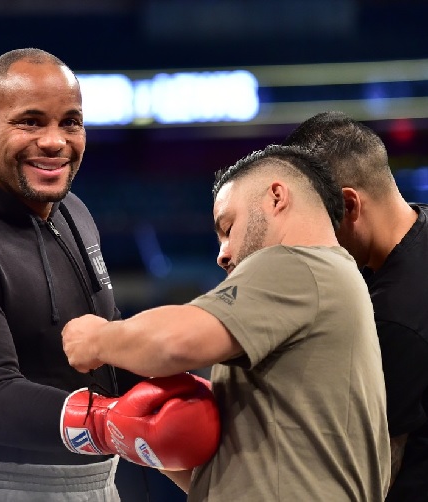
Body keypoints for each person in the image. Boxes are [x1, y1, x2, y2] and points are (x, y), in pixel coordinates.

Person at [0, 47, 219, 502]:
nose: (55, 141)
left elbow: (108, 352)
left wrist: (177, 393)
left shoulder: (72, 213)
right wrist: (109, 422)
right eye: (31, 122)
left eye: (71, 122)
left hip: (94, 484)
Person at [62, 144, 392, 501]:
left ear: (277, 197)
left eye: (228, 226)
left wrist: (95, 339)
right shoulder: (332, 282)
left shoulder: (297, 264)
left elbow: (174, 343)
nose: (222, 253)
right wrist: (139, 433)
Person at [283, 111, 428, 501]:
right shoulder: (412, 234)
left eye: (314, 220)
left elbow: (371, 471)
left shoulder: (395, 319)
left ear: (349, 206)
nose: (310, 240)